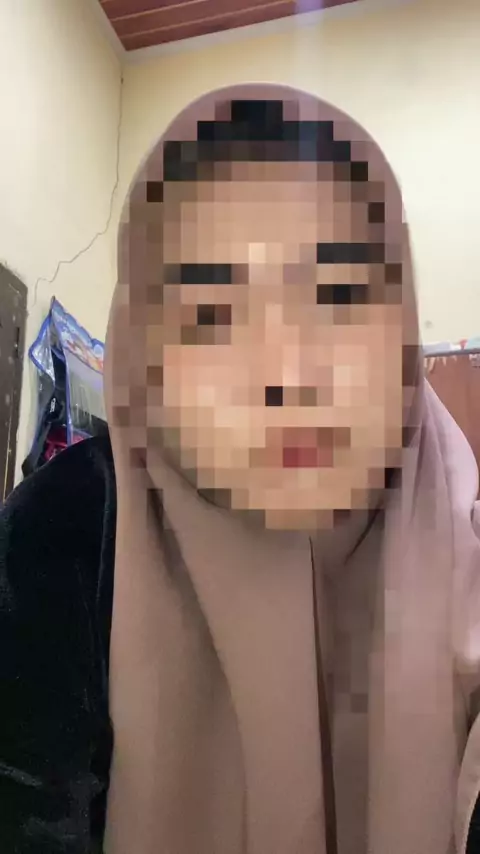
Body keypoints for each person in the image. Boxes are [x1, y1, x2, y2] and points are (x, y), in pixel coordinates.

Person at [1, 83, 479, 854]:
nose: (285, 376)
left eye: (338, 297)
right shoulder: (72, 532)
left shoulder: (468, 560)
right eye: (212, 316)